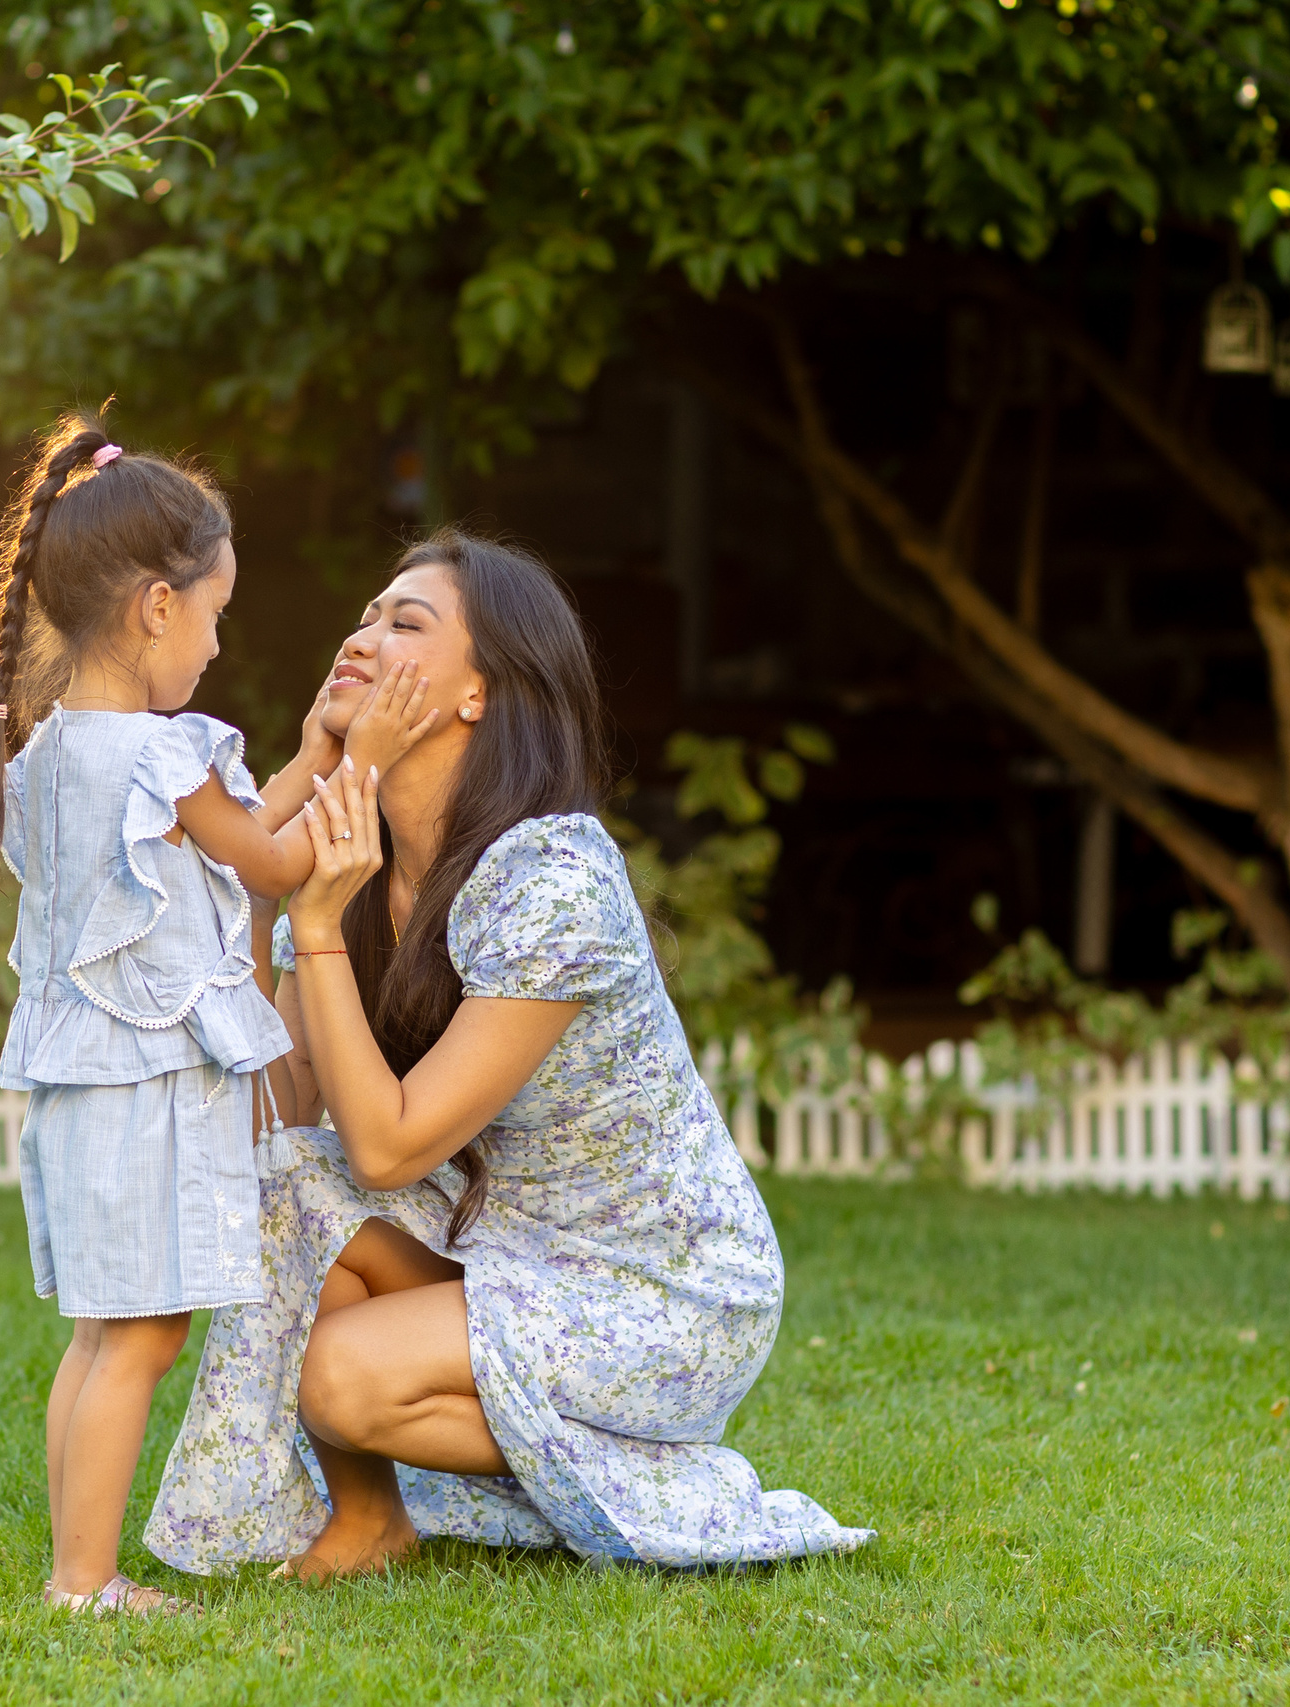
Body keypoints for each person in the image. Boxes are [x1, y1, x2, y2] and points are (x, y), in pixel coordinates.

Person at [144, 529, 871, 1576]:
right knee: (289, 1182)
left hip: (658, 1290)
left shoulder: (554, 881)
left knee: (342, 1379)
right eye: (364, 614)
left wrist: (309, 924)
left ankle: (658, 1477)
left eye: (406, 623)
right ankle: (369, 1518)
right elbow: (300, 1117)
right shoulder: (362, 868)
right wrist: (276, 911)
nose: (361, 636)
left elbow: (389, 1155)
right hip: (505, 1243)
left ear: (480, 695)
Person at [0, 418, 437, 1615]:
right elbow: (272, 869)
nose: (219, 644)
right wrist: (363, 761)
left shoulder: (55, 751)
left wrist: (320, 751)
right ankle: (87, 1582)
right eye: (215, 616)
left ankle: (75, 1573)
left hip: (82, 1090)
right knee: (144, 1337)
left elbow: (228, 844)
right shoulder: (166, 760)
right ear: (155, 609)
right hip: (150, 1092)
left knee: (101, 1335)